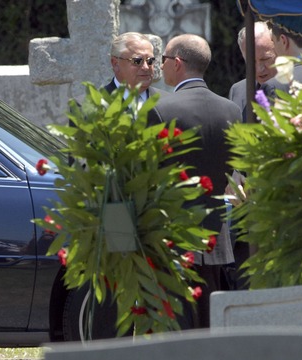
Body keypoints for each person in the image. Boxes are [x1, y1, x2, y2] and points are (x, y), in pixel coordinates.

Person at [150, 34, 242, 328]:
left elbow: (151, 172)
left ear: (177, 63)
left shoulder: (161, 110)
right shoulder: (231, 110)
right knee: (211, 322)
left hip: (174, 235)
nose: (160, 66)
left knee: (178, 323)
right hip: (217, 233)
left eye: (162, 59)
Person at [228, 21, 278, 121]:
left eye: (266, 59)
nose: (260, 68)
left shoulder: (292, 87)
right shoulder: (238, 91)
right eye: (251, 61)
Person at [105, 32, 162, 103]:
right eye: (137, 61)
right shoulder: (99, 104)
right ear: (116, 64)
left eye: (150, 60)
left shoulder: (167, 102)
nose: (146, 67)